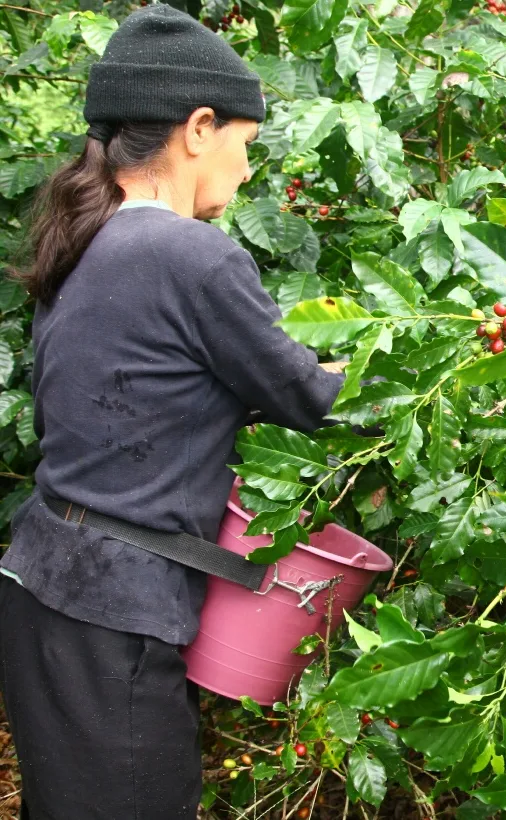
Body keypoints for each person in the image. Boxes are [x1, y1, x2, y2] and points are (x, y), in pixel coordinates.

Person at [0, 6, 346, 818]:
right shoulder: (189, 253)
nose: (248, 173)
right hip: (108, 610)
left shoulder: (92, 237)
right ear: (198, 128)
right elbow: (314, 401)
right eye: (246, 146)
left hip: (49, 587)